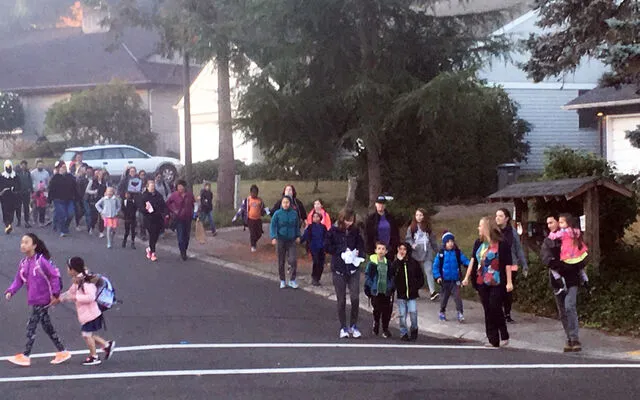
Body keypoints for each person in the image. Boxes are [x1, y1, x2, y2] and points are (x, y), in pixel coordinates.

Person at [4, 233, 71, 367]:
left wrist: (56, 294)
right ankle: (62, 351)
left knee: (31, 326)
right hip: (35, 299)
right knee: (47, 326)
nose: (23, 245)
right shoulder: (23, 263)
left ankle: (26, 355)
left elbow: (54, 276)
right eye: (22, 242)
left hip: (44, 299)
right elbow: (18, 279)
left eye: (26, 242)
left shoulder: (41, 261)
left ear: (34, 245)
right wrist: (11, 291)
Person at [462, 217, 513, 348]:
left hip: (497, 280)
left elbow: (508, 264)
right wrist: (467, 277)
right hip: (481, 279)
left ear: (487, 228)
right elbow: (473, 260)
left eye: (480, 226)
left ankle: (503, 333)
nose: (478, 228)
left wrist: (509, 282)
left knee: (495, 305)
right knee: (487, 308)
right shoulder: (478, 243)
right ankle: (493, 339)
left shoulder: (502, 244)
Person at [56, 257, 116, 366]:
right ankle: (106, 345)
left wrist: (76, 297)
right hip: (88, 314)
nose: (67, 270)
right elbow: (71, 292)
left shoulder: (86, 281)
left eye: (68, 268)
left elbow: (91, 297)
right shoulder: (78, 280)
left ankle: (94, 356)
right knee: (88, 334)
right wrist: (60, 298)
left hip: (92, 314)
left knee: (86, 334)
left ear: (73, 269)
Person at [541, 214, 583, 352]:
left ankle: (574, 337)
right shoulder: (548, 241)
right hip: (557, 278)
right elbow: (546, 259)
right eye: (547, 223)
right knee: (563, 310)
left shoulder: (572, 237)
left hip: (572, 277)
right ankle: (569, 338)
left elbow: (581, 254)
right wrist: (559, 265)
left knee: (570, 305)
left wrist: (574, 266)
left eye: (552, 222)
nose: (550, 225)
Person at [324, 208, 365, 339]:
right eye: (347, 220)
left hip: (353, 267)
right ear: (342, 219)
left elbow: (361, 244)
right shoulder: (333, 231)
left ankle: (354, 325)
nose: (349, 223)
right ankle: (343, 327)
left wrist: (359, 252)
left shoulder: (355, 231)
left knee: (355, 297)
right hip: (339, 269)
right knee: (341, 300)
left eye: (351, 221)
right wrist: (341, 251)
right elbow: (327, 246)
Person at [495, 208, 528, 323]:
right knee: (499, 288)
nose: (497, 218)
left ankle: (507, 313)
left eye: (500, 216)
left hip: (512, 263)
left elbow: (518, 248)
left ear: (506, 218)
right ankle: (499, 311)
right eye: (496, 216)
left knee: (508, 289)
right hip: (498, 263)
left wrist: (524, 264)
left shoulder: (512, 231)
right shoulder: (495, 231)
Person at [433, 231, 470, 323]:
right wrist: (438, 276)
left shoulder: (457, 253)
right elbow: (435, 266)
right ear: (444, 243)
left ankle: (460, 313)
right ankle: (442, 311)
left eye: (452, 241)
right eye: (448, 241)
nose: (450, 243)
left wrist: (470, 265)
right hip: (445, 281)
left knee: (457, 297)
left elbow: (465, 260)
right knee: (444, 298)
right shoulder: (441, 254)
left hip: (455, 280)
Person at [548, 213, 589, 293]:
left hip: (568, 256)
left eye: (561, 222)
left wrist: (551, 233)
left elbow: (553, 237)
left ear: (568, 223)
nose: (559, 224)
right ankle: (586, 283)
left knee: (554, 268)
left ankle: (561, 283)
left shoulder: (563, 232)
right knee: (580, 269)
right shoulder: (575, 231)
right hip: (577, 255)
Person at [406, 208, 439, 301]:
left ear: (424, 216)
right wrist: (412, 244)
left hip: (427, 251)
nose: (419, 217)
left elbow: (433, 241)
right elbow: (408, 239)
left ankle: (432, 292)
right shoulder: (411, 228)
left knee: (429, 270)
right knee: (416, 273)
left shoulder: (428, 228)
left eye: (421, 215)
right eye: (417, 215)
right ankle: (414, 290)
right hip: (415, 252)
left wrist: (437, 250)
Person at [393, 242, 424, 341]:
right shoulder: (396, 263)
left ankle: (414, 329)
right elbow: (392, 274)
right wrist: (399, 262)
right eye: (400, 249)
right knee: (402, 315)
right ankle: (403, 333)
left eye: (404, 249)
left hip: (412, 294)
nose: (402, 251)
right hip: (401, 294)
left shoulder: (413, 263)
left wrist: (416, 286)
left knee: (413, 313)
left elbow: (420, 277)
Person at [364, 242, 395, 338]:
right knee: (377, 309)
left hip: (386, 291)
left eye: (383, 249)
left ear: (386, 251)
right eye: (379, 248)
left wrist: (391, 286)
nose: (381, 251)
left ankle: (385, 328)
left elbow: (391, 276)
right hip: (375, 291)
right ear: (375, 251)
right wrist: (370, 286)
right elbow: (368, 276)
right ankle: (376, 322)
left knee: (386, 310)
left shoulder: (388, 264)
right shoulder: (372, 264)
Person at [270, 196, 301, 289]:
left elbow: (297, 226)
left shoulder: (294, 214)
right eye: (284, 202)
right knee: (281, 260)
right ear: (281, 204)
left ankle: (292, 279)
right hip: (281, 239)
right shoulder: (277, 214)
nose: (286, 204)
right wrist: (273, 237)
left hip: (291, 240)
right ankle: (282, 280)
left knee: (293, 260)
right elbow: (273, 226)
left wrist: (298, 235)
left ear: (290, 203)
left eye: (287, 202)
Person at [166, 180, 196, 261]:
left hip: (188, 218)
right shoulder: (174, 195)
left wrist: (195, 213)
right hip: (179, 218)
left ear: (184, 187)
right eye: (178, 186)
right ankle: (182, 252)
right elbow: (168, 204)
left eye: (181, 186)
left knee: (187, 236)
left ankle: (185, 249)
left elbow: (194, 204)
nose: (180, 188)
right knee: (180, 236)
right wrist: (173, 210)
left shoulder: (189, 195)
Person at [233, 184, 268, 252]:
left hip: (258, 219)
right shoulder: (248, 200)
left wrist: (270, 213)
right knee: (252, 233)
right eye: (253, 192)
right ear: (250, 192)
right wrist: (235, 217)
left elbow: (264, 208)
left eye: (255, 193)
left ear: (257, 193)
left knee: (259, 233)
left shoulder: (260, 200)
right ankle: (253, 245)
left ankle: (254, 241)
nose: (254, 194)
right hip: (250, 219)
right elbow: (241, 209)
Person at [365, 195, 400, 260]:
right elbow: (368, 235)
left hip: (389, 249)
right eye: (379, 203)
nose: (381, 205)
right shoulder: (370, 219)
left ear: (385, 205)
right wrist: (370, 250)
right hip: (376, 250)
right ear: (375, 204)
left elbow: (395, 234)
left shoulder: (391, 218)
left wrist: (395, 248)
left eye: (383, 204)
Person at [48, 162, 77, 237]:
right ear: (59, 169)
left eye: (65, 167)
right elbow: (51, 189)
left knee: (70, 214)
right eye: (62, 167)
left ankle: (65, 226)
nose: (64, 169)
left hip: (69, 199)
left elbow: (75, 188)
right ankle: (63, 230)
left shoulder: (70, 177)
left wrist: (77, 197)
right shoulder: (55, 178)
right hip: (58, 200)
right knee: (62, 215)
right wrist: (49, 199)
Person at [140, 180, 167, 261]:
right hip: (149, 219)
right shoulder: (144, 196)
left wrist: (166, 213)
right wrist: (146, 209)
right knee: (152, 235)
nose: (152, 188)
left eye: (153, 186)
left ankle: (149, 249)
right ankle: (153, 253)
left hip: (158, 218)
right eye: (151, 186)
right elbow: (141, 208)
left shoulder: (158, 195)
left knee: (156, 235)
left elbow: (163, 205)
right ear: (147, 187)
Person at [301, 211, 327, 286]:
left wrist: (326, 245)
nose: (315, 218)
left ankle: (318, 278)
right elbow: (306, 235)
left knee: (321, 263)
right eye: (314, 217)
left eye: (317, 217)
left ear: (320, 218)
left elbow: (326, 237)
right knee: (316, 262)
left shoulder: (323, 227)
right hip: (313, 247)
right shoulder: (310, 227)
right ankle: (314, 277)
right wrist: (300, 240)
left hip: (322, 247)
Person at [0, 160, 20, 234]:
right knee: (5, 211)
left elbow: (18, 185)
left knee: (11, 211)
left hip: (13, 196)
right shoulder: (2, 176)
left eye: (10, 166)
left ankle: (10, 223)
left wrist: (15, 189)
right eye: (7, 167)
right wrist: (3, 190)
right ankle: (7, 225)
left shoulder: (15, 176)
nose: (9, 168)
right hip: (4, 197)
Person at [85, 169, 107, 236]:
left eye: (101, 174)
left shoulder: (104, 182)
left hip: (102, 200)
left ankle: (101, 231)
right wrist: (94, 192)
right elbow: (87, 190)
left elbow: (107, 189)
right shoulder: (92, 181)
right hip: (94, 200)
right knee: (94, 216)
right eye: (99, 174)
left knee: (102, 216)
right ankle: (92, 227)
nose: (100, 175)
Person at [15, 160, 33, 228]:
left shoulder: (28, 173)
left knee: (26, 208)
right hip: (19, 193)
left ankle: (26, 221)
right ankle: (19, 220)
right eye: (22, 165)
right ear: (20, 165)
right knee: (18, 207)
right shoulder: (17, 173)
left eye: (25, 165)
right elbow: (15, 182)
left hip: (26, 193)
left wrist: (31, 189)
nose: (24, 166)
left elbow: (30, 181)